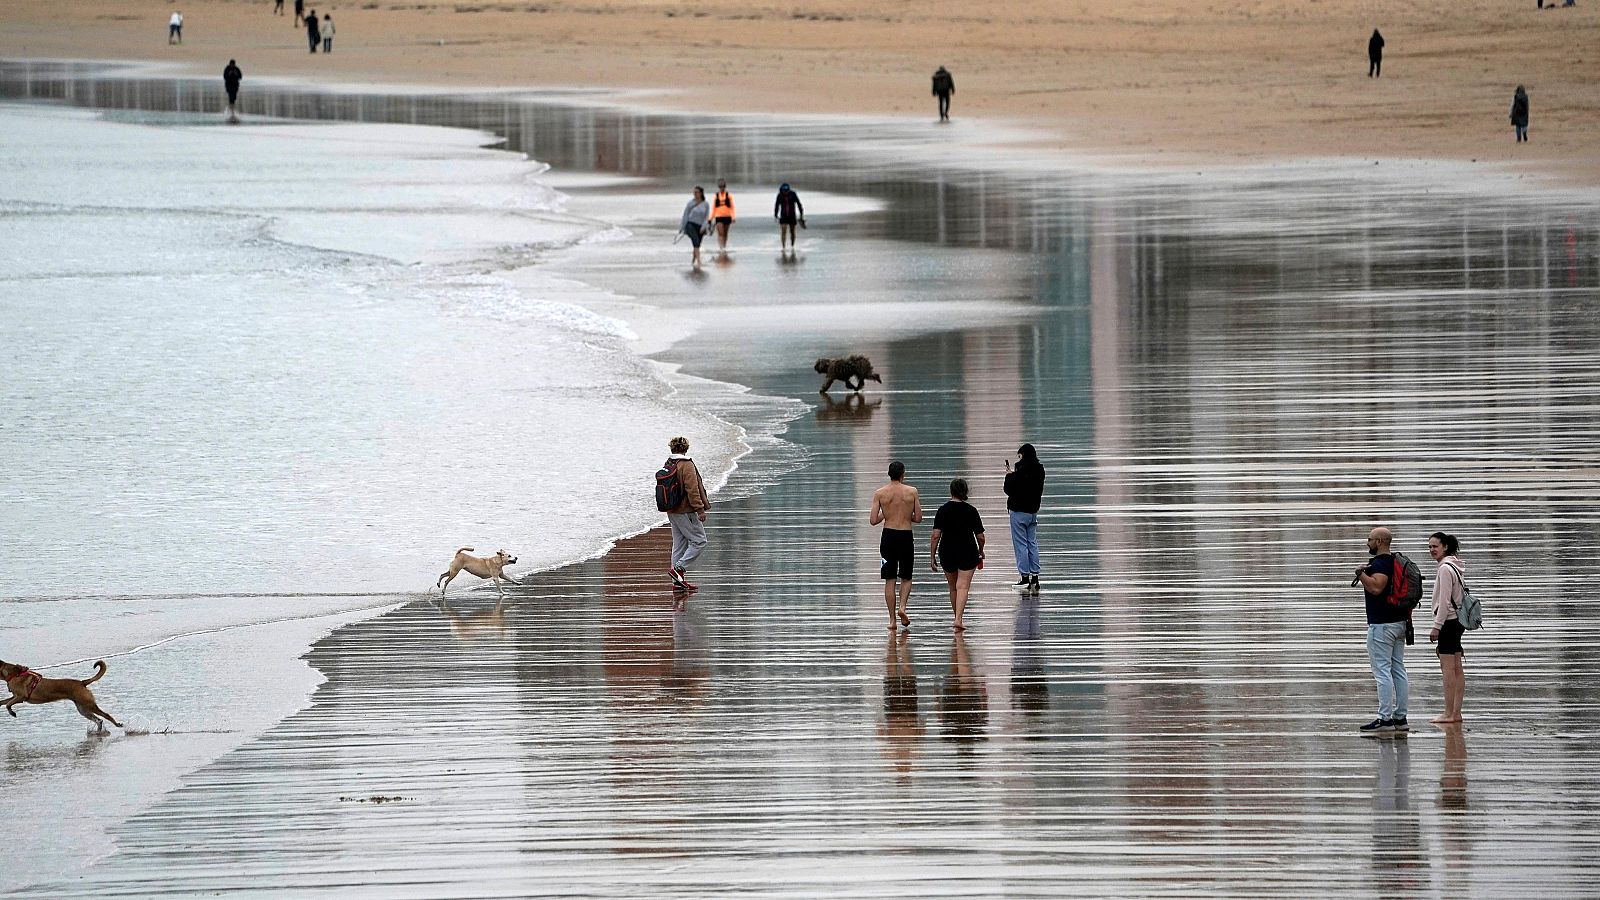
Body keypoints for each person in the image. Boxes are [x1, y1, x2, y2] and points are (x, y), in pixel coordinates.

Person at [1354, 527, 1409, 732]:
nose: (1367, 543)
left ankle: (1385, 719)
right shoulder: (1395, 561)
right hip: (1399, 623)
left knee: (1382, 672)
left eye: (1369, 539)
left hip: (1382, 625)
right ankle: (1401, 718)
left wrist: (1361, 575)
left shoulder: (1380, 563)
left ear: (1379, 541)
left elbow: (1377, 587)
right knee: (1398, 670)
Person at [870, 461, 923, 631]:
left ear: (889, 474)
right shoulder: (912, 491)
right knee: (906, 577)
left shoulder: (880, 493)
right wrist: (905, 515)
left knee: (889, 579)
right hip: (906, 536)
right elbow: (918, 518)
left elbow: (873, 520)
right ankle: (902, 608)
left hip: (888, 538)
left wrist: (886, 514)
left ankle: (892, 620)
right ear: (902, 474)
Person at [930, 478, 984, 632]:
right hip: (967, 551)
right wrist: (981, 550)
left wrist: (932, 556)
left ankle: (957, 618)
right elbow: (980, 536)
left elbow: (935, 536)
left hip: (947, 551)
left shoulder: (942, 510)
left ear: (951, 491)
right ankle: (959, 619)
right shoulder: (971, 511)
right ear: (965, 492)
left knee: (953, 587)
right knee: (963, 587)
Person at [1427, 532, 1467, 724]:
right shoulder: (1456, 565)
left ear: (1445, 547)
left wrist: (1436, 627)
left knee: (1448, 669)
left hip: (1448, 623)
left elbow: (1443, 603)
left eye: (1435, 546)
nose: (1432, 550)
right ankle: (1456, 713)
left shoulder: (1444, 569)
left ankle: (1448, 713)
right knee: (1457, 668)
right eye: (1429, 547)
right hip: (1457, 622)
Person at [663, 436, 709, 591]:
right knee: (699, 541)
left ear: (672, 448)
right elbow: (692, 489)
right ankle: (679, 569)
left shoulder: (669, 463)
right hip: (685, 510)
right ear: (686, 448)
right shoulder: (686, 464)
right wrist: (700, 509)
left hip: (672, 510)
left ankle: (677, 582)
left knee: (679, 544)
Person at [1003, 443, 1044, 591]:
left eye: (1020, 456)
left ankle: (1024, 577)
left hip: (1018, 512)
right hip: (1032, 513)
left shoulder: (1021, 470)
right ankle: (1035, 577)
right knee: (1032, 543)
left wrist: (1009, 475)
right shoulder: (1040, 470)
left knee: (1020, 545)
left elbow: (1009, 489)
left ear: (1023, 455)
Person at [679, 186, 711, 269]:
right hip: (690, 224)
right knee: (695, 241)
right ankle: (699, 261)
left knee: (697, 245)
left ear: (701, 193)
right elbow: (685, 215)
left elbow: (706, 217)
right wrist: (682, 227)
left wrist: (704, 227)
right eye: (694, 192)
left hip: (700, 226)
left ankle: (693, 261)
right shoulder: (690, 203)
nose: (695, 194)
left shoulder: (706, 204)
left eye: (697, 192)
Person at [774, 183, 804, 251]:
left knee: (792, 231)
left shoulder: (793, 194)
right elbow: (777, 205)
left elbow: (799, 204)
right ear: (782, 190)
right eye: (784, 190)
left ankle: (792, 246)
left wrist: (801, 213)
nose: (785, 192)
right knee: (783, 231)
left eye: (787, 190)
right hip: (783, 216)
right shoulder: (779, 195)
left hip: (792, 215)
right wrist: (775, 214)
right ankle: (783, 247)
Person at [710, 179, 735, 252]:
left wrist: (733, 217)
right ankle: (721, 247)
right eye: (720, 186)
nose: (722, 188)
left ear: (725, 187)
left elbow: (732, 207)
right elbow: (714, 208)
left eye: (723, 186)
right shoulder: (716, 196)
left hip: (727, 216)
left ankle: (724, 246)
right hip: (718, 217)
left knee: (725, 233)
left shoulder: (729, 196)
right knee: (720, 233)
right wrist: (710, 218)